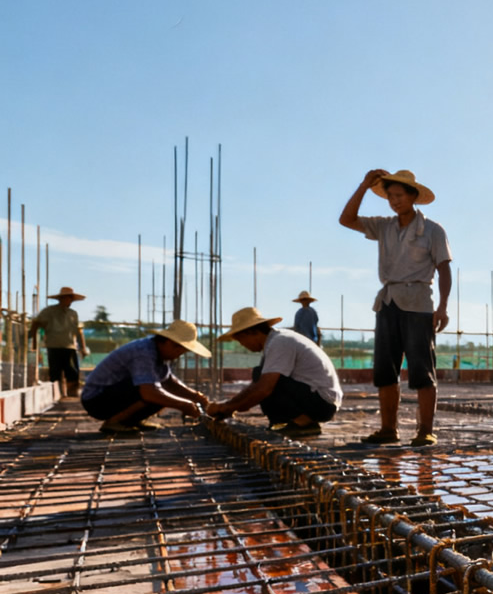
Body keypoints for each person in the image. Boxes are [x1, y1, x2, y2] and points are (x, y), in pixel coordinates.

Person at [338, 168, 452, 447]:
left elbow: (444, 270)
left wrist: (443, 307)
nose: (394, 201)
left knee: (422, 370)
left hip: (418, 304)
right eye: (390, 196)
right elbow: (346, 219)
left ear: (413, 196)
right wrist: (364, 185)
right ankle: (389, 429)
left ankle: (425, 430)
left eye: (399, 195)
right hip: (388, 302)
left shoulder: (433, 230)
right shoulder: (384, 226)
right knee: (385, 370)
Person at [208, 306, 342, 439]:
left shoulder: (279, 342)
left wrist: (229, 408)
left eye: (241, 340)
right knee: (260, 376)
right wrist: (229, 405)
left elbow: (263, 389)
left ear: (251, 333)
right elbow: (255, 386)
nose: (243, 345)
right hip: (316, 398)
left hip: (322, 403)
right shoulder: (275, 341)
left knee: (263, 380)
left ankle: (303, 423)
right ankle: (289, 423)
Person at [80, 319, 210, 434]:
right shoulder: (144, 352)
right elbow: (148, 392)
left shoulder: (162, 355)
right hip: (97, 400)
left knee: (161, 390)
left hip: (112, 395)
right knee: (153, 390)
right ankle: (115, 422)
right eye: (178, 349)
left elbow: (169, 381)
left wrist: (196, 397)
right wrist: (183, 405)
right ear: (168, 342)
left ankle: (131, 421)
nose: (178, 354)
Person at [28, 286, 88, 396]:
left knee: (72, 372)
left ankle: (71, 394)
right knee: (55, 372)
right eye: (66, 298)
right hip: (53, 345)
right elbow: (36, 323)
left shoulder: (73, 314)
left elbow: (79, 331)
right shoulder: (49, 311)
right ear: (61, 298)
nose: (68, 301)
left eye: (70, 298)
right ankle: (57, 394)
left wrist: (83, 348)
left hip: (69, 346)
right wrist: (34, 342)